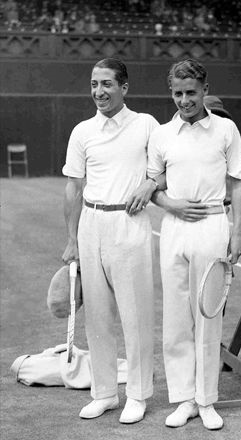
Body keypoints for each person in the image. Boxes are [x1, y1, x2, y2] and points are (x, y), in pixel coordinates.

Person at [147, 59, 241, 430]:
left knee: (207, 317)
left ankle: (206, 401)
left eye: (191, 92)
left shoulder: (226, 129)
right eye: (177, 93)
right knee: (176, 319)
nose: (184, 100)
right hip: (173, 230)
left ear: (205, 90)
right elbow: (152, 186)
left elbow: (238, 183)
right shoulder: (161, 134)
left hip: (212, 227)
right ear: (170, 93)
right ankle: (184, 399)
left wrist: (236, 233)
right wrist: (170, 203)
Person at [62, 58, 160, 423]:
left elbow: (164, 168)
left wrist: (150, 183)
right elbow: (72, 186)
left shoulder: (146, 125)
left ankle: (137, 394)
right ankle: (105, 393)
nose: (98, 92)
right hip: (91, 224)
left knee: (135, 315)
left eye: (106, 84)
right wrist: (71, 240)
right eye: (93, 84)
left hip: (129, 223)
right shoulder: (82, 131)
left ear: (124, 87)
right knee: (97, 317)